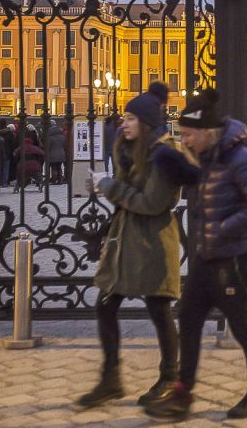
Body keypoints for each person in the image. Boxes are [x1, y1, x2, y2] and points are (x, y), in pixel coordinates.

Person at [145, 88, 247, 421]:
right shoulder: (207, 157)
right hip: (207, 256)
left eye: (187, 134)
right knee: (187, 319)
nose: (184, 140)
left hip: (239, 257)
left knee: (243, 326)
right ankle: (183, 393)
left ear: (206, 132)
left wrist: (223, 228)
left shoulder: (240, 158)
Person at [77, 83, 184, 409]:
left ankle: (170, 377)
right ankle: (111, 379)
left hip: (153, 242)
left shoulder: (166, 156)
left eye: (130, 118)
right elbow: (130, 189)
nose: (123, 123)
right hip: (127, 241)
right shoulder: (132, 149)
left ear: (147, 123)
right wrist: (117, 160)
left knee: (159, 308)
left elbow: (152, 202)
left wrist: (108, 186)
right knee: (105, 306)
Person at [46, 119, 67, 184]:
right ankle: (60, 181)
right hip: (61, 154)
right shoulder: (62, 137)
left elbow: (48, 147)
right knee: (59, 168)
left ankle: (54, 180)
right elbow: (64, 145)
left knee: (54, 168)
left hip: (52, 155)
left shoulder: (50, 138)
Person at [0, 120, 16, 187]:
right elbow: (13, 144)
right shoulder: (10, 133)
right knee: (6, 167)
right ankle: (4, 182)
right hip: (7, 152)